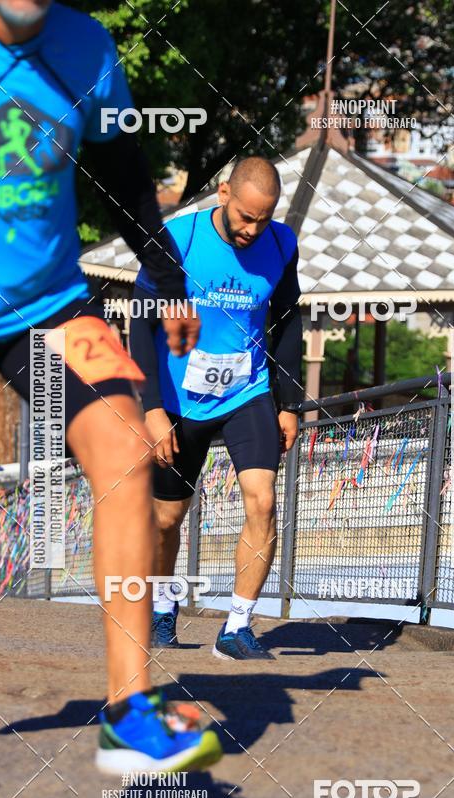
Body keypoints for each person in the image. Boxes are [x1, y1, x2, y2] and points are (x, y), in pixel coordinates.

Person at [0, 0, 222, 775]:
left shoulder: (88, 47)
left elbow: (124, 175)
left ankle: (132, 714)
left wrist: (170, 280)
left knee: (128, 449)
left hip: (50, 306)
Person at [130, 156, 303, 660]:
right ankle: (163, 607)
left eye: (263, 219)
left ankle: (236, 628)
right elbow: (140, 323)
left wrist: (289, 402)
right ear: (224, 194)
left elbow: (287, 319)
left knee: (262, 501)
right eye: (246, 217)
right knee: (167, 519)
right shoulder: (178, 241)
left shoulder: (281, 244)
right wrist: (152, 408)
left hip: (246, 391)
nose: (253, 229)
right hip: (178, 399)